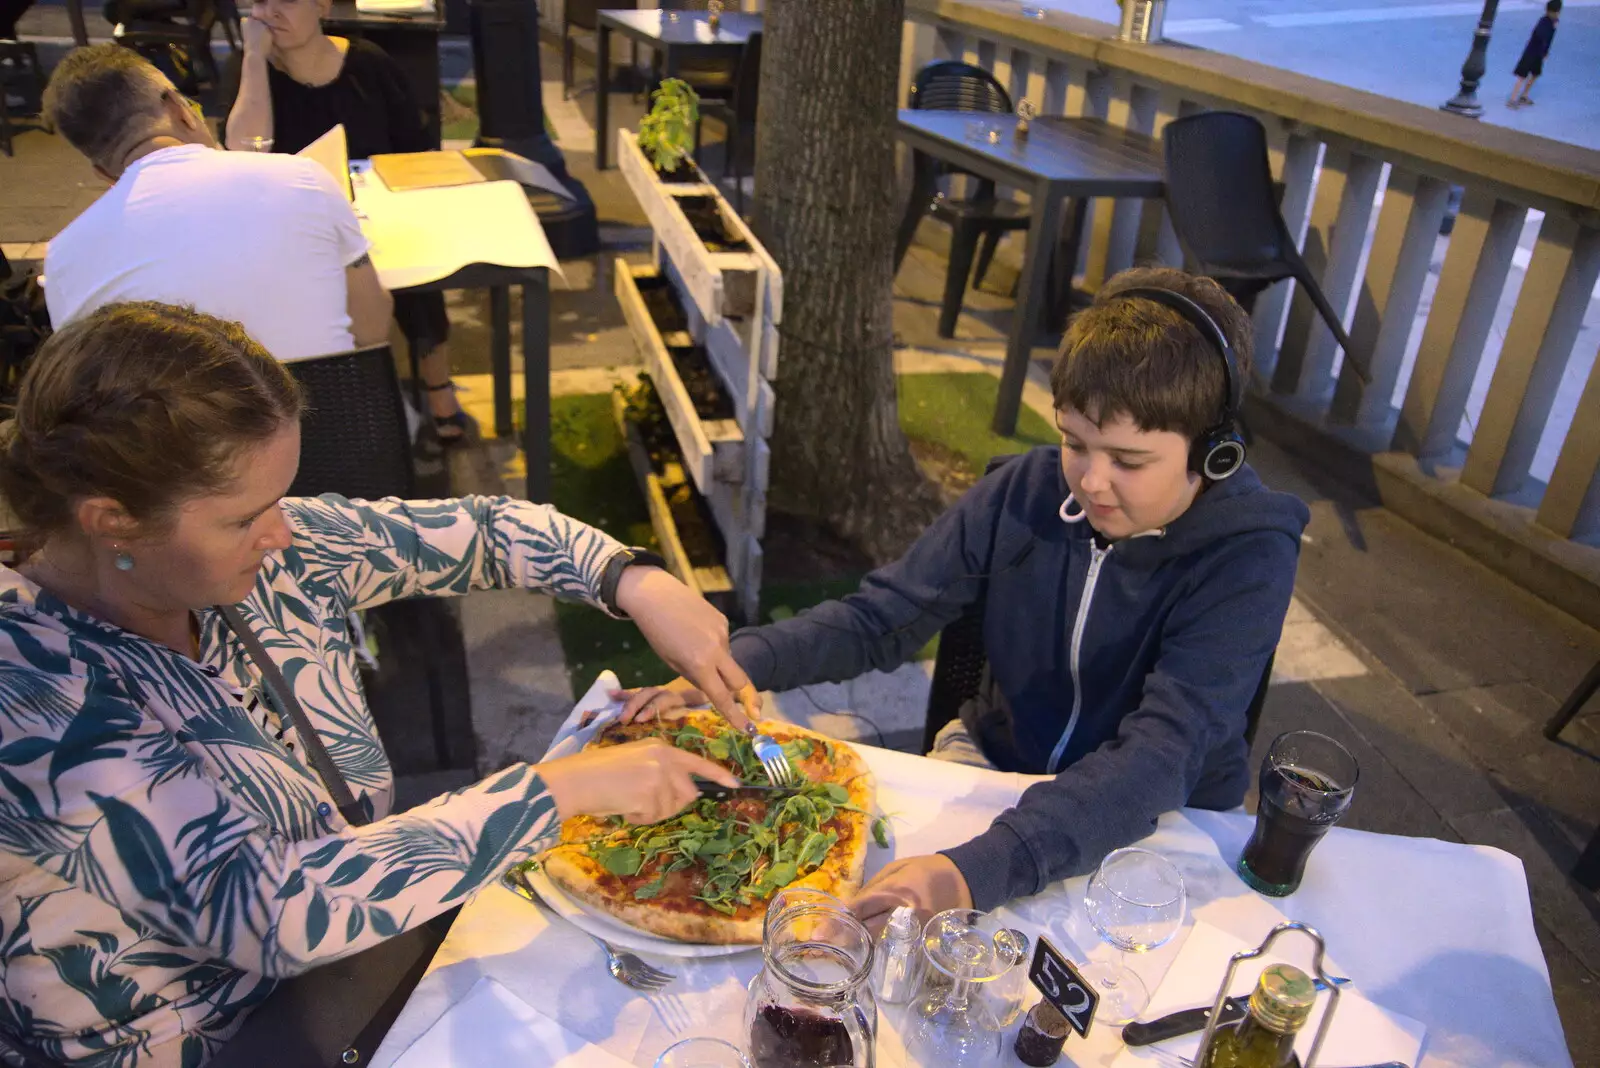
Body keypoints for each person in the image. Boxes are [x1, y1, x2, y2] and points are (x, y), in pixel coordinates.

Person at [0, 301, 761, 1067]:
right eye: (244, 518)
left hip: (365, 963)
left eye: (280, 498)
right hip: (222, 1041)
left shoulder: (264, 556)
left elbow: (487, 534)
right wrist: (558, 792)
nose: (285, 533)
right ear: (114, 521)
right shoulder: (31, 692)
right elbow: (271, 910)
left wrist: (634, 581)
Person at [621, 267, 1311, 927]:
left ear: (1212, 453)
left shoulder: (1250, 553)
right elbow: (880, 618)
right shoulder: (1028, 489)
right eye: (1075, 442)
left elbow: (1161, 756)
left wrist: (972, 873)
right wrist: (730, 662)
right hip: (999, 765)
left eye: (1128, 461)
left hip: (1162, 819)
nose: (1092, 482)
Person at [41, 44, 391, 363]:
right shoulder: (303, 176)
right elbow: (372, 328)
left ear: (102, 171)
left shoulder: (64, 259)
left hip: (180, 433)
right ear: (181, 110)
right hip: (334, 421)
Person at [219, 0, 470, 442]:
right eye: (260, 1)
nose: (270, 12)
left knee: (420, 278)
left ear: (321, 5)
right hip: (293, 225)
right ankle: (354, 403)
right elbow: (245, 151)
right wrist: (254, 58)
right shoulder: (249, 74)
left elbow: (415, 147)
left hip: (378, 209)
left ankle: (437, 386)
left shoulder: (368, 64)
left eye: (286, 0)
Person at [1509, 0, 1560, 108]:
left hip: (1539, 53)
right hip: (1531, 51)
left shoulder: (1554, 22)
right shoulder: (1544, 21)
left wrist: (1545, 51)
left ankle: (1524, 95)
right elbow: (1539, 35)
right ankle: (1512, 99)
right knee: (1522, 75)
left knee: (1535, 74)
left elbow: (1550, 39)